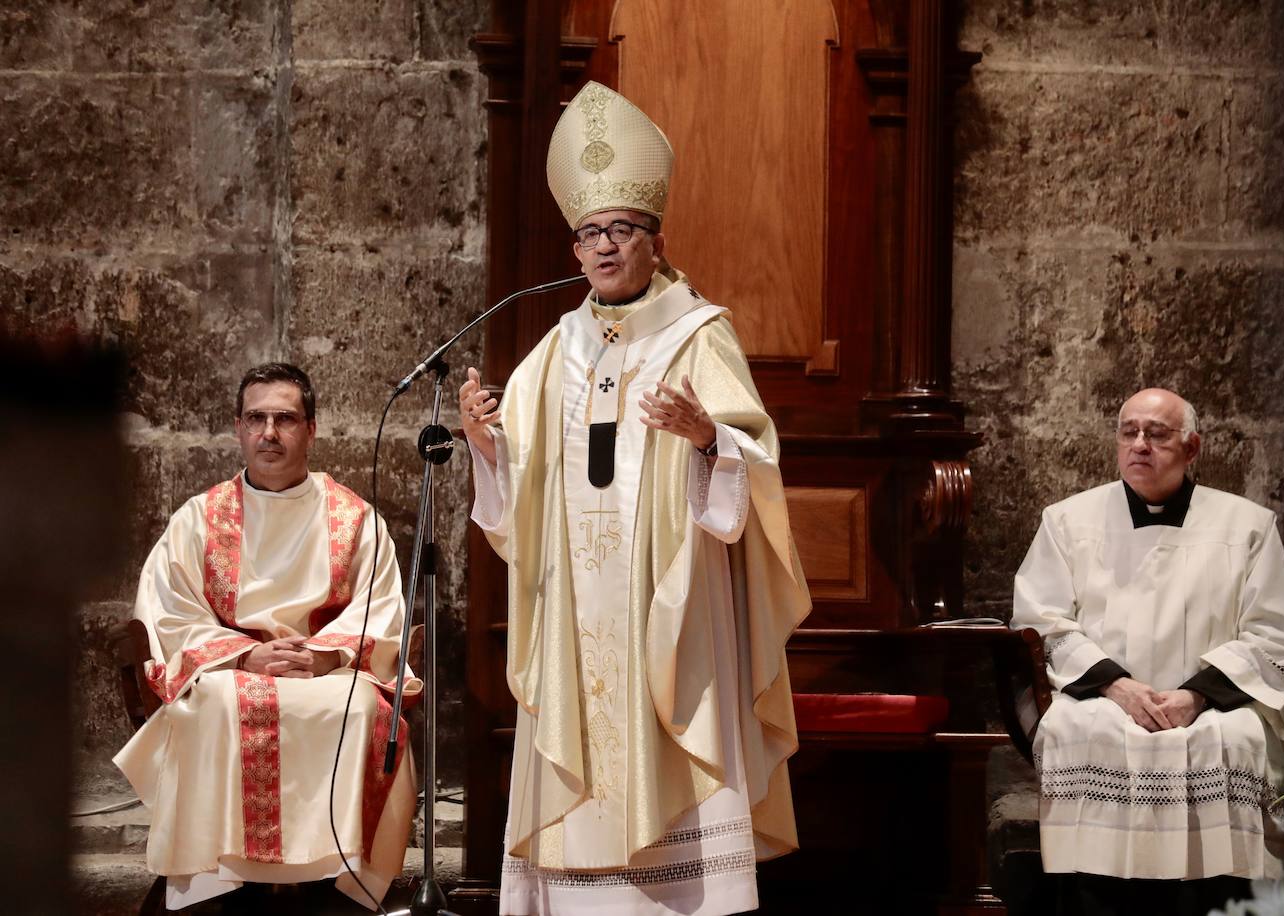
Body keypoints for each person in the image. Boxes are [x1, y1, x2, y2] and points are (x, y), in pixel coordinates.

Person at [459, 81, 811, 915]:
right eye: (590, 233)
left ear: (656, 239)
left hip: (674, 600)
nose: (605, 246)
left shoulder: (700, 331)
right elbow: (521, 497)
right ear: (574, 250)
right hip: (574, 603)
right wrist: (487, 449)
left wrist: (706, 439)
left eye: (622, 229)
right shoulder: (553, 350)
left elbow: (753, 464)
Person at [114, 362, 420, 911]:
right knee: (210, 703)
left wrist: (325, 657)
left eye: (285, 418)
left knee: (362, 711)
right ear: (238, 427)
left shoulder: (354, 519)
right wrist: (248, 654)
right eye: (256, 418)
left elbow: (382, 608)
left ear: (311, 429)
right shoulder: (200, 518)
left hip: (325, 669)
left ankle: (341, 880)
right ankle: (214, 879)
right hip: (232, 669)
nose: (269, 433)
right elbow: (168, 610)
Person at [1012, 387, 1284, 916]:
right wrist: (1116, 686)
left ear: (1192, 447)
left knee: (1238, 737)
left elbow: (1279, 636)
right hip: (1103, 701)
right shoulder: (1067, 521)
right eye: (1129, 432)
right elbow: (1041, 623)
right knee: (1080, 732)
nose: (1140, 445)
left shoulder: (1245, 526)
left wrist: (1196, 697)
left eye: (1157, 434)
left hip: (1213, 708)